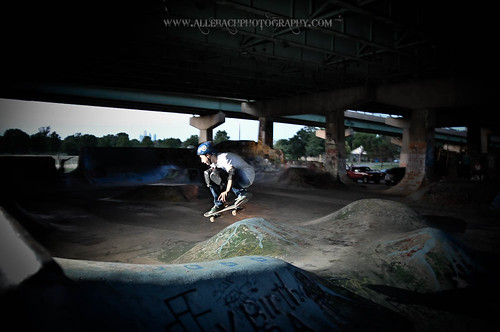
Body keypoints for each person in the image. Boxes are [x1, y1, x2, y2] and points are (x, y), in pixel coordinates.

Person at [197, 141, 255, 215]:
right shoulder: (214, 163)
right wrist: (222, 196)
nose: (202, 161)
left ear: (208, 155)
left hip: (246, 177)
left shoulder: (223, 158)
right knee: (208, 174)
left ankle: (242, 193)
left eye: (201, 158)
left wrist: (227, 191)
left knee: (219, 172)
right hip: (238, 178)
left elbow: (232, 172)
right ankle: (219, 204)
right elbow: (220, 182)